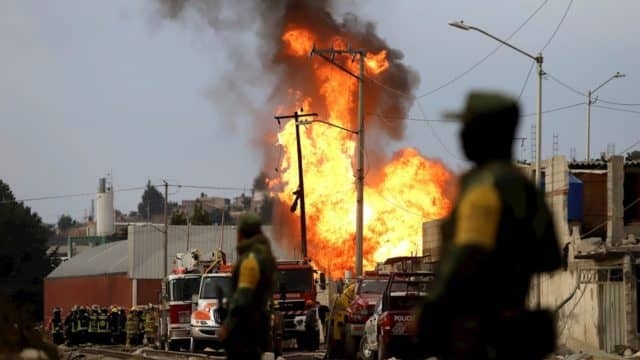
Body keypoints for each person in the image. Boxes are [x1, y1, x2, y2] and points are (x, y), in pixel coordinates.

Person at [412, 91, 562, 360]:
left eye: (467, 128)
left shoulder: (483, 188)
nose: (461, 135)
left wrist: (432, 309)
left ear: (483, 134)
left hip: (477, 337)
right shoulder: (523, 187)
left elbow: (467, 255)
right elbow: (549, 258)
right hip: (516, 335)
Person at [218, 212, 276, 360]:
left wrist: (227, 325)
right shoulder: (264, 255)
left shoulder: (250, 259)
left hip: (244, 330)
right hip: (256, 326)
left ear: (242, 233)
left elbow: (243, 296)